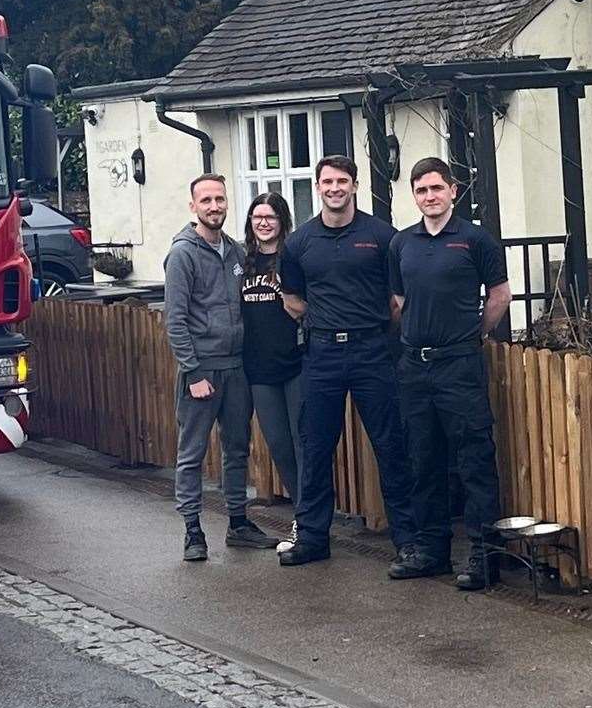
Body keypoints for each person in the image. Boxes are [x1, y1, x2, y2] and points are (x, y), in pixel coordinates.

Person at [277, 154, 432, 577]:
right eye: (327, 182)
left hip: (372, 352)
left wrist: (371, 327)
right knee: (315, 447)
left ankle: (408, 541)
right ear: (318, 187)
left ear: (354, 185)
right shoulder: (299, 242)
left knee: (391, 446)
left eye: (342, 181)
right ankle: (311, 538)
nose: (334, 188)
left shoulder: (382, 236)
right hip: (322, 354)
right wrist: (322, 322)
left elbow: (397, 300)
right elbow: (291, 298)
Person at [388, 157, 511, 591]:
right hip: (414, 367)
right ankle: (431, 550)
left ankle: (482, 556)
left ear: (453, 191)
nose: (430, 197)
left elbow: (499, 296)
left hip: (459, 363)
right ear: (415, 196)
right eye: (421, 191)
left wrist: (471, 334)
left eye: (436, 189)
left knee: (474, 458)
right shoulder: (402, 244)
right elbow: (398, 302)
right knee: (422, 459)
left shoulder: (475, 240)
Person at [163, 173, 278, 561]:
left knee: (236, 448)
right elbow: (175, 320)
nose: (215, 207)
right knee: (192, 453)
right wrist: (193, 372)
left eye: (220, 200)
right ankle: (192, 530)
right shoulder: (183, 254)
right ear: (193, 206)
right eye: (207, 200)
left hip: (236, 368)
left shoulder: (234, 251)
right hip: (202, 370)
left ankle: (238, 523)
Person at [241, 191, 304, 552]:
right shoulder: (242, 261)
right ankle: (302, 513)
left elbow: (306, 306)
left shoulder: (293, 259)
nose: (264, 223)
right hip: (259, 370)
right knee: (280, 447)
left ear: (282, 221)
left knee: (302, 444)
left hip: (295, 365)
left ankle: (309, 521)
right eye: (257, 217)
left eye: (271, 216)